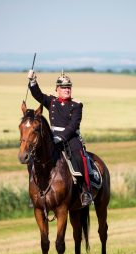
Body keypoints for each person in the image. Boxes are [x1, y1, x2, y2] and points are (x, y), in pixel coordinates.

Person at [27, 69, 92, 206]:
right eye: (63, 87)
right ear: (57, 89)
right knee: (34, 158)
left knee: (79, 157)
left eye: (68, 87)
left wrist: (61, 137)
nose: (66, 90)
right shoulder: (52, 101)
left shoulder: (77, 105)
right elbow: (38, 95)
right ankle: (34, 191)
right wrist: (33, 81)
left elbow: (73, 125)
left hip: (71, 138)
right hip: (52, 138)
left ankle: (85, 190)